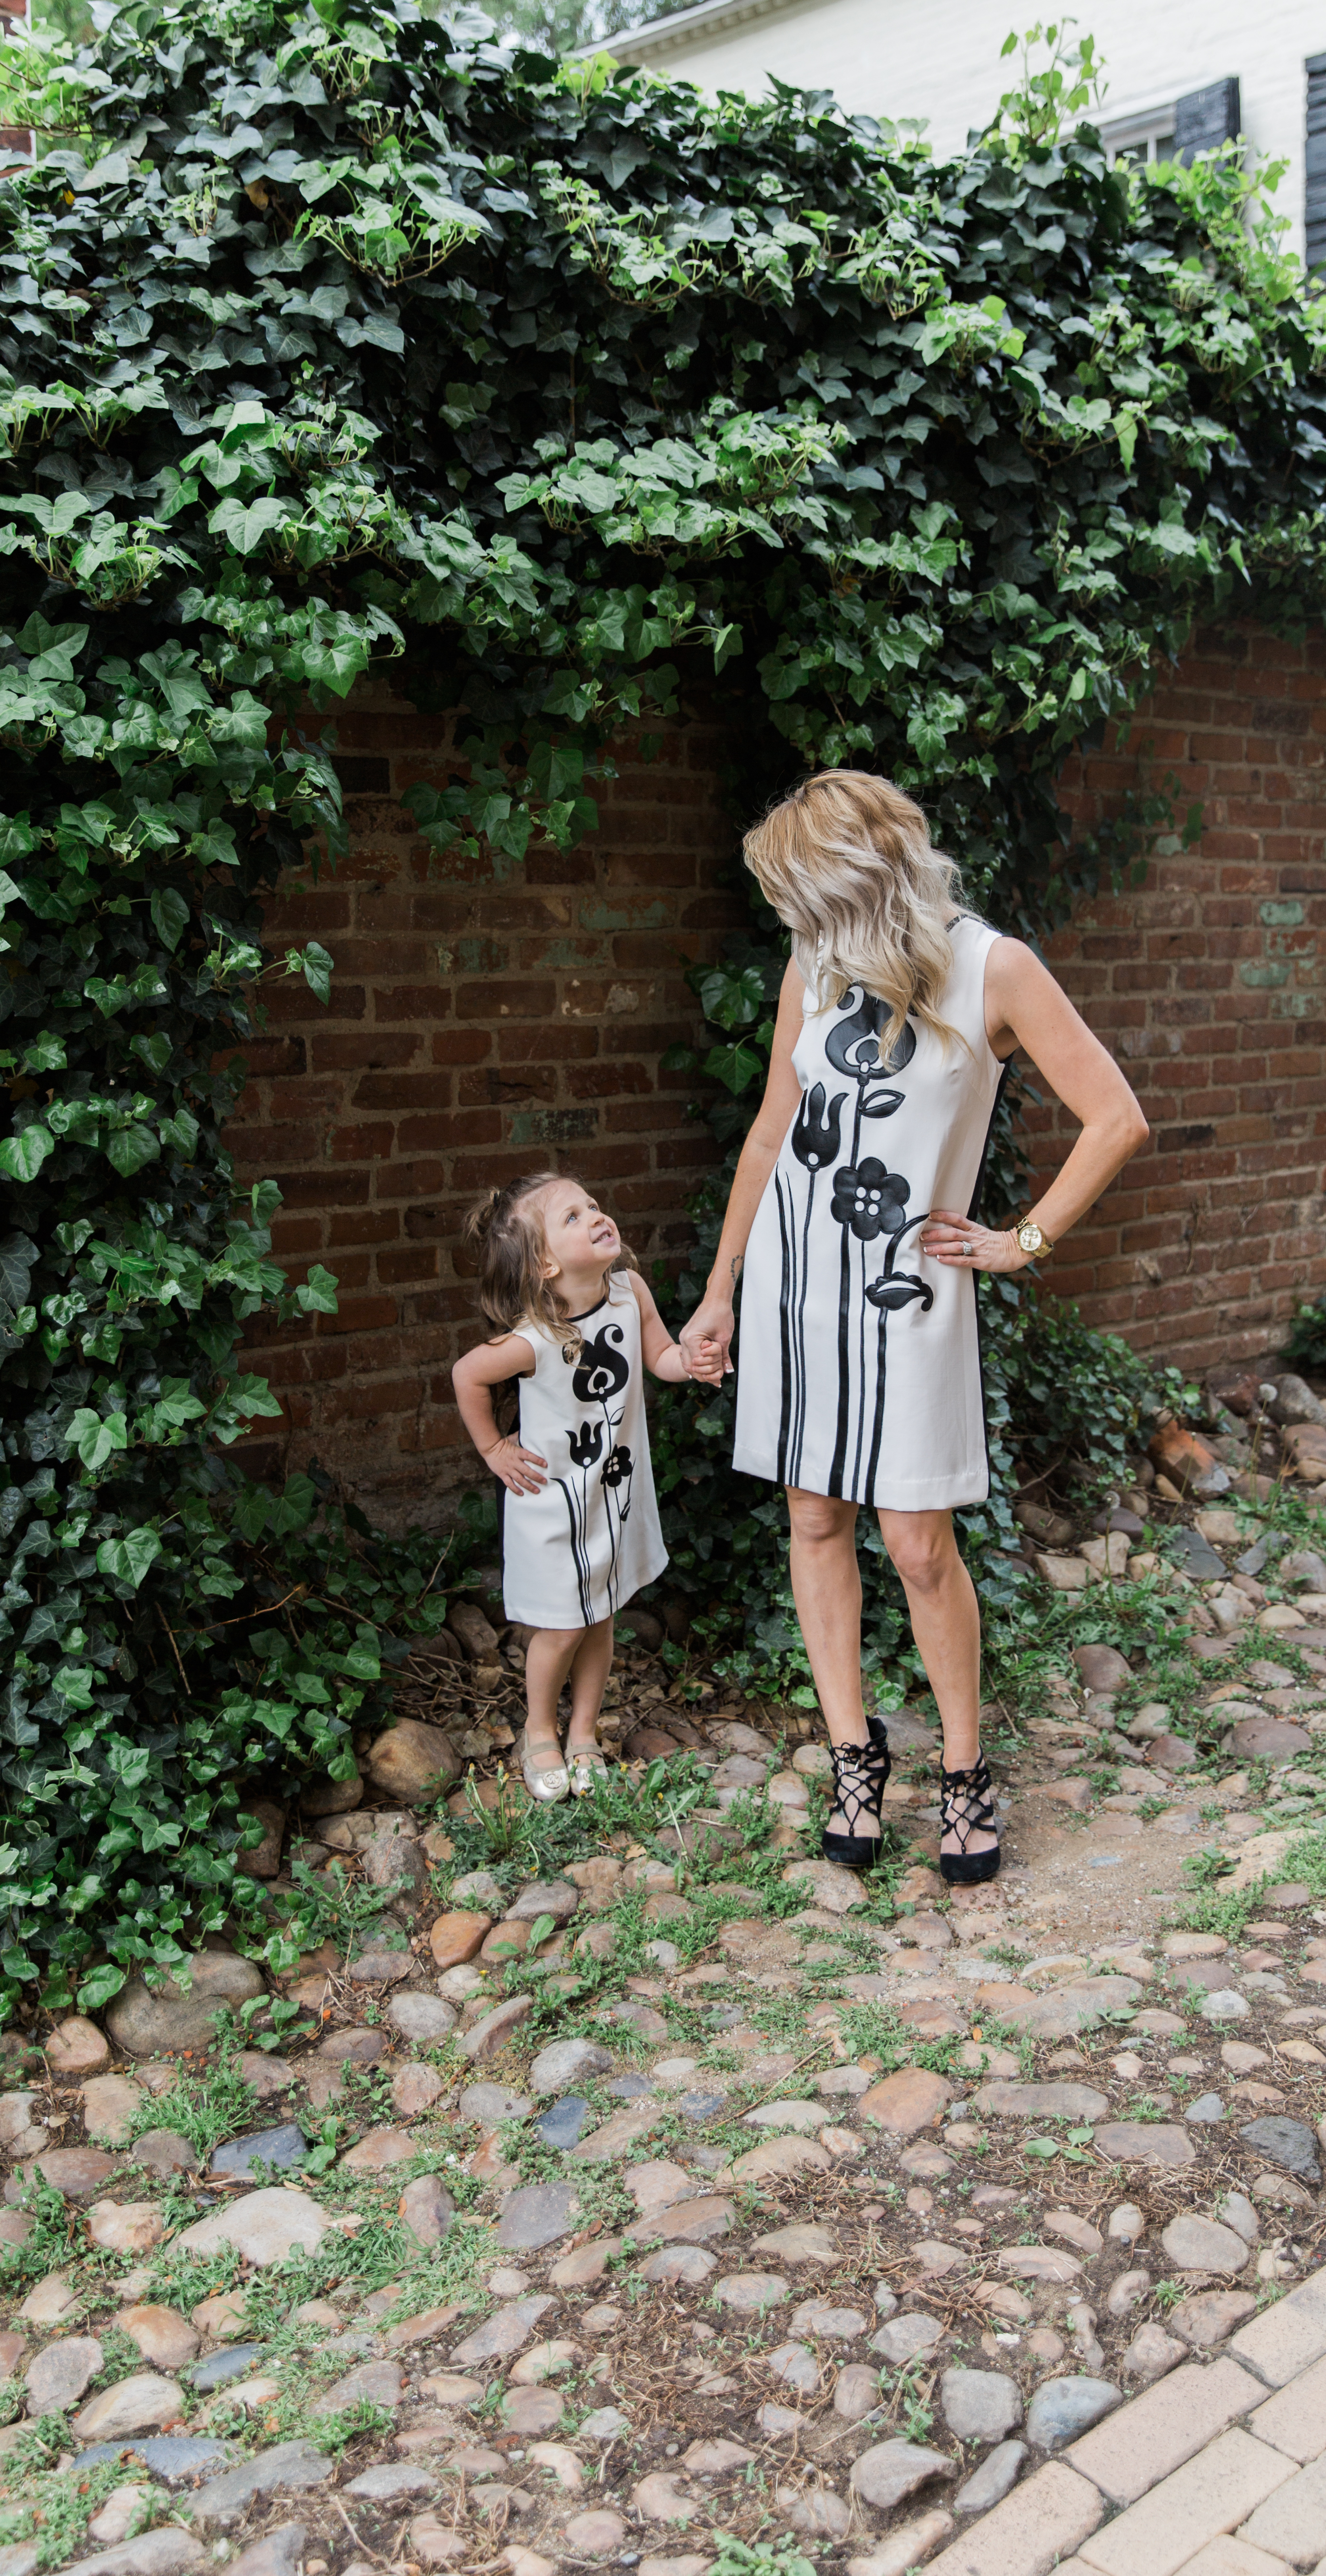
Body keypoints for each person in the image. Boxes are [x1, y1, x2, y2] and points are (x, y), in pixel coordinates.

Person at [679, 769, 1149, 1883]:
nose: (790, 917)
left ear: (856, 877)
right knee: (813, 1520)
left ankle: (967, 1771)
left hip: (908, 1292)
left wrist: (1019, 1242)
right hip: (799, 1281)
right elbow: (768, 1134)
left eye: (802, 891)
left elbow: (1116, 1116)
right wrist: (719, 1289)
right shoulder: (814, 962)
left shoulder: (995, 968)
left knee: (918, 1545)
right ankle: (855, 1757)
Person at [453, 1174, 720, 1803]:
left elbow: (661, 1357)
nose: (596, 1215)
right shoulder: (535, 1337)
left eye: (594, 1205)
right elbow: (468, 1374)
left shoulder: (630, 1292)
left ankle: (583, 1732)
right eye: (573, 1217)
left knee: (601, 1616)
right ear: (546, 1264)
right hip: (552, 1506)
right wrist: (494, 1448)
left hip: (613, 1494)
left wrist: (694, 1361)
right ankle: (538, 1728)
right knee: (561, 1629)